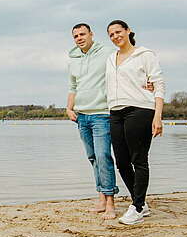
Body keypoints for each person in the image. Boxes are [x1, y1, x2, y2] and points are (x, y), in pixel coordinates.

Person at [105, 20, 165, 225]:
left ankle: (137, 207)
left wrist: (158, 116)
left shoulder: (145, 55)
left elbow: (158, 84)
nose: (115, 37)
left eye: (118, 32)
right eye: (111, 34)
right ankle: (140, 202)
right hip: (115, 112)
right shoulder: (110, 59)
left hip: (140, 110)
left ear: (128, 31)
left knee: (138, 160)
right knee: (121, 162)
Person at [66, 23, 119, 219]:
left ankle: (111, 203)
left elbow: (124, 68)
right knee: (93, 157)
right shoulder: (73, 59)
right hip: (82, 116)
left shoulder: (107, 52)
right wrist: (69, 108)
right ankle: (101, 198)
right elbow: (73, 86)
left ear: (91, 34)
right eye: (75, 36)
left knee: (104, 155)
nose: (79, 38)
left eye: (82, 34)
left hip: (102, 114)